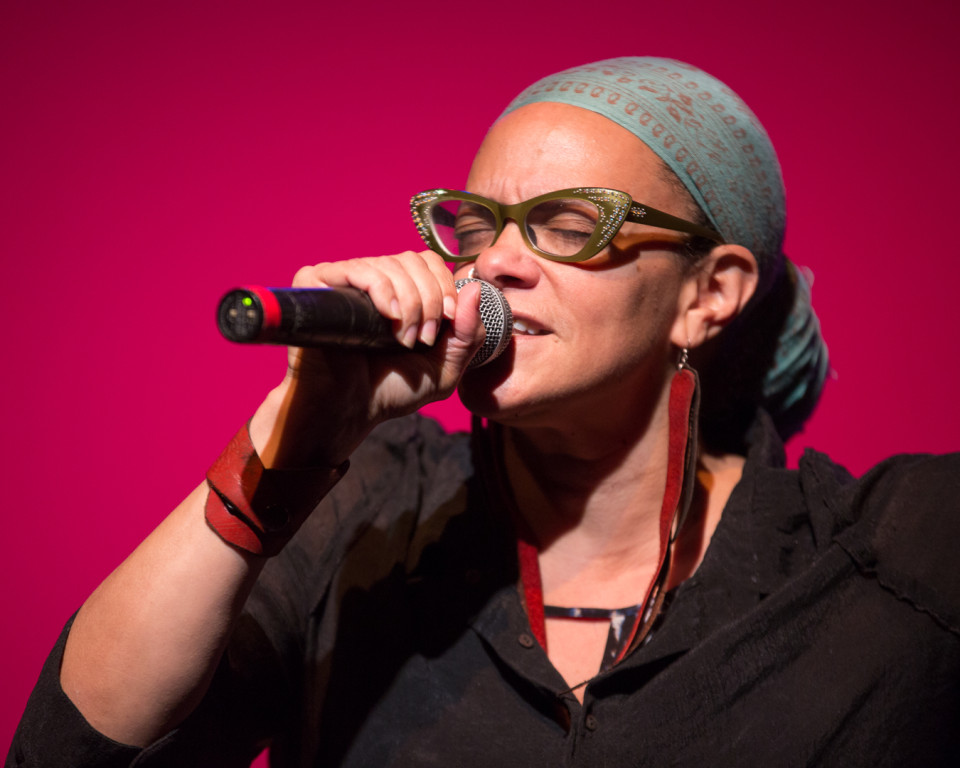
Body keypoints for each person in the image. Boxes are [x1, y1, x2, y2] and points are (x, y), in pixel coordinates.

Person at [8, 57, 959, 767]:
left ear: (707, 294)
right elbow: (67, 754)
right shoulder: (372, 511)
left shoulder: (899, 547)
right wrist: (286, 439)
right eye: (474, 225)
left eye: (568, 224)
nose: (494, 263)